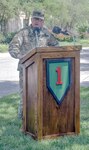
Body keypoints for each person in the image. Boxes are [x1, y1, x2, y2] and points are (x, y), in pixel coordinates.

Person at [8, 10, 59, 119]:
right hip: (26, 68)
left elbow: (56, 46)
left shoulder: (46, 34)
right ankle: (23, 118)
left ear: (43, 22)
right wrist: (22, 57)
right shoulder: (23, 33)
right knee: (26, 93)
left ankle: (42, 115)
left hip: (43, 68)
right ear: (31, 20)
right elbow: (13, 47)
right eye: (35, 19)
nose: (37, 22)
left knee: (44, 93)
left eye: (40, 20)